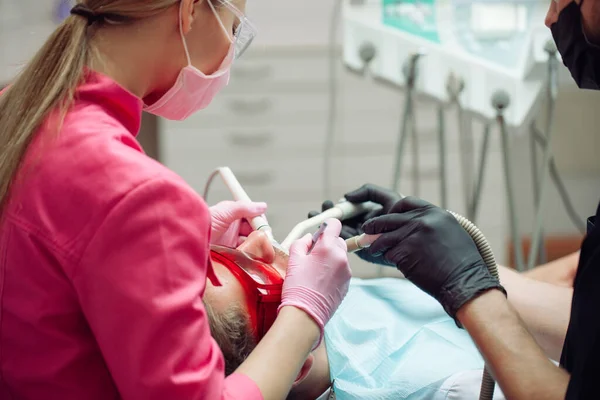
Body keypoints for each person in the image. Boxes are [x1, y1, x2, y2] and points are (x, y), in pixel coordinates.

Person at [0, 1, 352, 399]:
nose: (229, 52)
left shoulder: (19, 109)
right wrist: (304, 315)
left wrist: (173, 238)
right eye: (233, 29)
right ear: (190, 12)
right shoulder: (135, 194)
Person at [203, 229, 579, 399]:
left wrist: (460, 270)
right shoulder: (451, 390)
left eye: (224, 253)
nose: (259, 241)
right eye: (251, 272)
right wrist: (468, 284)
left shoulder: (332, 313)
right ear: (295, 363)